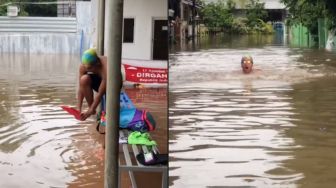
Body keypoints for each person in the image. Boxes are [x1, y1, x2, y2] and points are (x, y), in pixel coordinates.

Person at [77, 48, 107, 121]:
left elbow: (100, 94)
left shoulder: (105, 67)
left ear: (97, 63)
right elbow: (81, 88)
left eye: (90, 68)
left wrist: (88, 113)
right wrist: (79, 108)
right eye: (87, 68)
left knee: (104, 94)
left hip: (112, 83)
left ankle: (92, 109)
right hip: (98, 81)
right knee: (84, 79)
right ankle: (92, 108)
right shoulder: (83, 67)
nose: (89, 70)